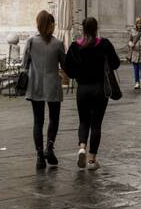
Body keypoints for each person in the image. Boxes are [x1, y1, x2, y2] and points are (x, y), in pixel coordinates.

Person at [64, 17, 120, 170]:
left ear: (83, 29)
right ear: (96, 28)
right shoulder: (104, 44)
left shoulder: (76, 46)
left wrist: (78, 73)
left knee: (83, 121)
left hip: (83, 89)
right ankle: (91, 160)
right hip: (100, 89)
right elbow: (116, 63)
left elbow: (68, 70)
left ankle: (82, 147)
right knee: (96, 124)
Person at [23, 10, 66, 170]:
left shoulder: (31, 42)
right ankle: (50, 147)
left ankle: (40, 156)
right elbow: (65, 64)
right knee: (54, 119)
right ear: (51, 25)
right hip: (53, 85)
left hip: (35, 85)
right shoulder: (58, 43)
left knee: (38, 121)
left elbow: (24, 64)